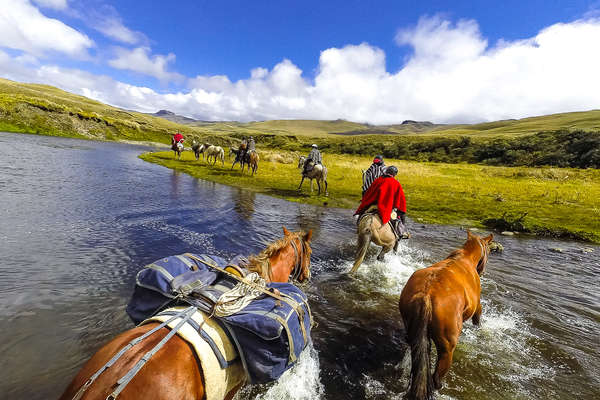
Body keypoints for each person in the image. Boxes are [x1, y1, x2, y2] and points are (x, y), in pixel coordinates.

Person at [354, 165, 407, 242]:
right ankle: (401, 232)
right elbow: (401, 200)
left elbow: (369, 192)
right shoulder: (396, 183)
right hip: (386, 208)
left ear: (386, 171)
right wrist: (400, 209)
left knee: (362, 214)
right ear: (394, 174)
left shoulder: (378, 180)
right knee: (399, 217)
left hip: (372, 205)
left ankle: (358, 228)